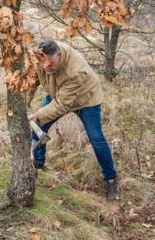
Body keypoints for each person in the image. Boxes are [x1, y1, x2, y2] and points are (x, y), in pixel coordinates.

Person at [27, 39, 118, 201]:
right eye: (44, 63)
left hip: (86, 99)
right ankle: (38, 163)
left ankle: (111, 179)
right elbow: (32, 80)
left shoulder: (76, 71)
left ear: (60, 55)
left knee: (96, 138)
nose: (47, 67)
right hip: (59, 93)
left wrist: (37, 115)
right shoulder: (40, 57)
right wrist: (25, 103)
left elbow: (62, 105)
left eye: (52, 63)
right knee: (38, 126)